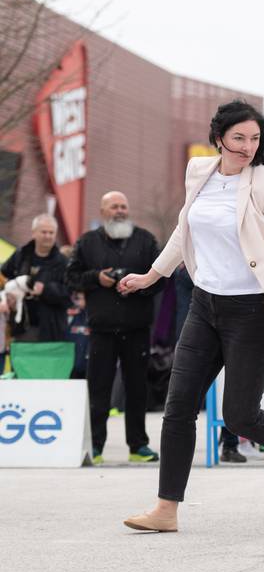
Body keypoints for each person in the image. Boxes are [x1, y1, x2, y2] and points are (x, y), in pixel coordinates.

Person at [119, 100, 264, 532]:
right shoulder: (198, 173)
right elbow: (185, 230)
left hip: (254, 311)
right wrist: (152, 275)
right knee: (178, 406)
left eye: (255, 139)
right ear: (218, 137)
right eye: (238, 137)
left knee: (240, 415)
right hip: (205, 304)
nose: (247, 146)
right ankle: (166, 509)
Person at [66, 192, 162, 464]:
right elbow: (70, 277)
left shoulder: (145, 240)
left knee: (136, 389)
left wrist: (138, 285)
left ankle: (138, 446)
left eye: (124, 206)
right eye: (114, 206)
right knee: (99, 389)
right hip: (102, 330)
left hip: (137, 328)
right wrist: (96, 278)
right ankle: (95, 446)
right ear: (103, 210)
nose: (120, 211)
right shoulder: (87, 243)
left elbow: (161, 278)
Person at [174, 263, 246, 463]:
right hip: (195, 334)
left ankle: (231, 443)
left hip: (224, 329)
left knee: (232, 392)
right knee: (185, 401)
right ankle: (229, 444)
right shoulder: (186, 271)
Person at [0, 214, 70, 342]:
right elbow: (3, 276)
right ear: (33, 233)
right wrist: (8, 295)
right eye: (44, 232)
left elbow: (70, 296)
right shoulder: (21, 254)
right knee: (22, 362)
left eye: (51, 232)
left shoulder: (63, 262)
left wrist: (46, 290)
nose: (48, 236)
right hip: (21, 327)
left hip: (51, 329)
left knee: (47, 362)